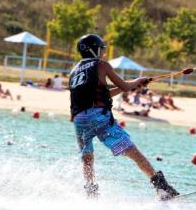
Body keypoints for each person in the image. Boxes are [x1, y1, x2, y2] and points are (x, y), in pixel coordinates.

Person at [69, 34, 178, 200]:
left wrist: (133, 85)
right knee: (131, 151)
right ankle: (161, 187)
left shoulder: (74, 71)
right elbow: (125, 86)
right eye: (101, 49)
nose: (102, 53)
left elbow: (103, 94)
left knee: (87, 156)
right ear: (94, 49)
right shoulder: (101, 65)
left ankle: (91, 191)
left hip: (79, 119)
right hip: (98, 116)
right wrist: (138, 81)